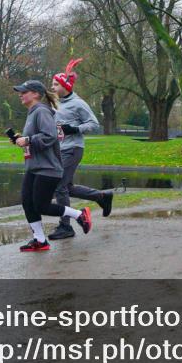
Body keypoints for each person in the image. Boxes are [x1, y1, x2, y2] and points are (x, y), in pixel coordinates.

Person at [12, 80, 91, 251]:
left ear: (35, 94)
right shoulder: (33, 112)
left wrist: (28, 140)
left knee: (41, 206)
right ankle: (40, 240)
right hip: (34, 167)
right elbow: (37, 138)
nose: (20, 94)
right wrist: (22, 140)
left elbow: (50, 136)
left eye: (24, 91)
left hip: (47, 168)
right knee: (27, 203)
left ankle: (79, 214)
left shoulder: (41, 111)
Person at [46, 58, 115, 241]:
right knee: (67, 187)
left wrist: (75, 129)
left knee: (60, 187)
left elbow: (94, 124)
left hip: (73, 149)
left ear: (65, 86)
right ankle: (101, 196)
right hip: (61, 149)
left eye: (55, 84)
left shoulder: (78, 103)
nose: (52, 87)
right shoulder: (58, 103)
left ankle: (66, 227)